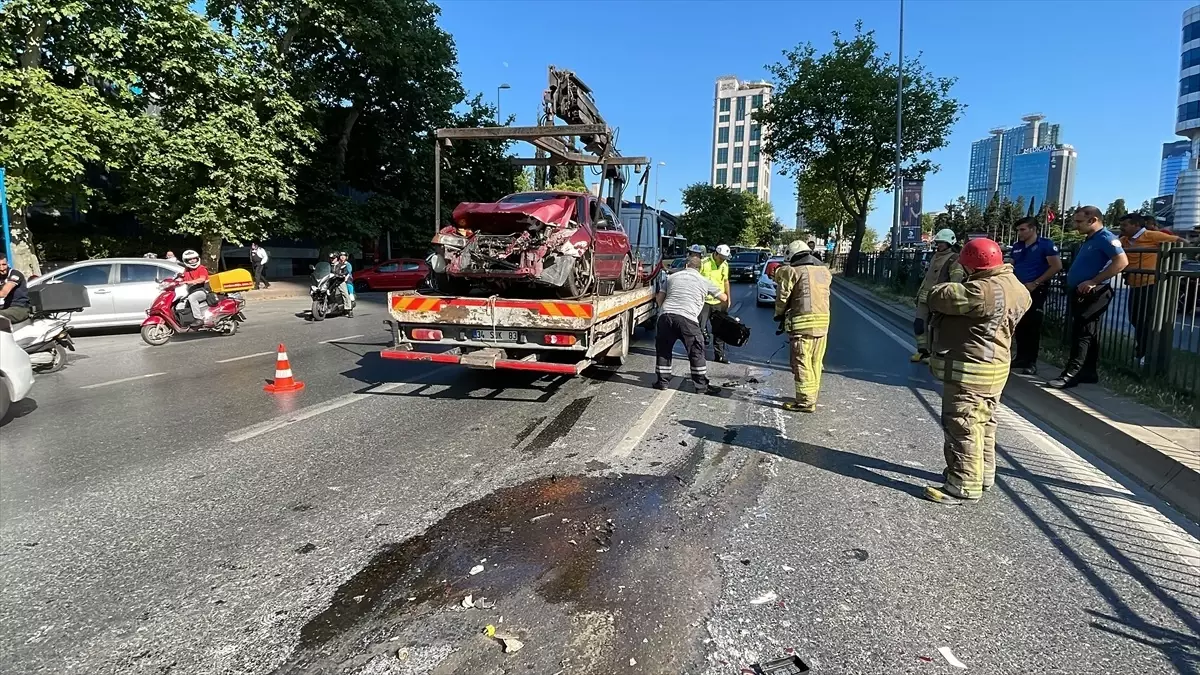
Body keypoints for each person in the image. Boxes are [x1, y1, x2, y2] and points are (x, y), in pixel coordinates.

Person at [923, 238, 1031, 504]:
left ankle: (962, 484)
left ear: (972, 266)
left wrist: (948, 282)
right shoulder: (1016, 286)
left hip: (971, 369)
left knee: (963, 424)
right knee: (985, 423)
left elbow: (939, 297)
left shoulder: (982, 291)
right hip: (995, 367)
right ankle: (983, 475)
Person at [1048, 206, 1128, 389]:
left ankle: (1071, 374)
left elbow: (1122, 262)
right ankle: (1089, 372)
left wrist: (1093, 281)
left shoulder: (1106, 238)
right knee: (1089, 333)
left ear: (1093, 220)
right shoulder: (1090, 239)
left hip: (1094, 292)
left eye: (1079, 221)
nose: (1076, 225)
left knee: (1082, 334)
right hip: (1082, 292)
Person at [654, 250, 728, 393]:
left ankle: (662, 382)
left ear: (686, 266)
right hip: (687, 319)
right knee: (696, 350)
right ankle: (701, 386)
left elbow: (659, 299)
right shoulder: (704, 281)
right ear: (699, 269)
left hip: (666, 316)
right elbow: (723, 298)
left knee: (664, 349)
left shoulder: (671, 278)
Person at [773, 240, 832, 412]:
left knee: (801, 362)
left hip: (802, 325)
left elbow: (783, 297)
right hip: (823, 324)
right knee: (815, 361)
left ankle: (805, 401)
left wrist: (779, 314)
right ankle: (812, 396)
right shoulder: (824, 271)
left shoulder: (792, 271)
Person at [1118, 213, 1181, 366]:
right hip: (1134, 284)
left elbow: (1180, 241)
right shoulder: (1124, 240)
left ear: (1136, 225)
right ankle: (1142, 352)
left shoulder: (1152, 235)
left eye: (1125, 225)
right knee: (1135, 318)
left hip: (1151, 284)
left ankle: (1146, 354)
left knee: (1146, 320)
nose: (1122, 228)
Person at [1008, 217, 1062, 375]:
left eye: (1023, 229)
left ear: (1033, 229)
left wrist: (1036, 283)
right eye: (1018, 230)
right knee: (1019, 324)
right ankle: (1020, 358)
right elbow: (1012, 263)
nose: (1019, 233)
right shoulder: (1017, 246)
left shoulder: (1046, 245)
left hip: (1035, 289)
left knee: (1032, 325)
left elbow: (1056, 266)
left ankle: (1031, 362)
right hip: (1018, 289)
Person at [911, 229, 964, 362]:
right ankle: (923, 351)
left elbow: (955, 281)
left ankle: (936, 355)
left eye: (942, 243)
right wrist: (918, 295)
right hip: (924, 297)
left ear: (950, 243)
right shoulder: (935, 256)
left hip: (939, 299)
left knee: (937, 328)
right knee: (919, 324)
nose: (938, 245)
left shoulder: (954, 258)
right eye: (938, 242)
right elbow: (927, 278)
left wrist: (949, 298)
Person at [698, 243, 732, 363]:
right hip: (704, 302)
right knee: (699, 329)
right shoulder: (704, 263)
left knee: (719, 329)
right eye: (721, 258)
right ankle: (698, 355)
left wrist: (728, 298)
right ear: (716, 254)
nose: (722, 261)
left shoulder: (724, 265)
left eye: (724, 259)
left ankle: (719, 355)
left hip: (718, 302)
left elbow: (726, 281)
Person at [179, 249, 211, 327]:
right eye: (190, 259)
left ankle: (199, 319)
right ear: (186, 261)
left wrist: (188, 282)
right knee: (180, 301)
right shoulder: (187, 270)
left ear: (197, 258)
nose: (193, 261)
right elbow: (182, 279)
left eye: (194, 258)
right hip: (193, 291)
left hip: (204, 291)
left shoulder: (201, 268)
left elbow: (202, 279)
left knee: (192, 298)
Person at [0, 255, 32, 324]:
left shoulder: (15, 274)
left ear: (7, 264)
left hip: (20, 308)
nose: (2, 268)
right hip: (7, 307)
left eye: (4, 264)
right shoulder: (1, 277)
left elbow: (3, 293)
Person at [337, 251, 355, 315]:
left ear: (346, 257)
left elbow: (348, 273)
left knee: (348, 285)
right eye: (341, 255)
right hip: (337, 278)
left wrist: (345, 279)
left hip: (346, 278)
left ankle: (351, 295)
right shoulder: (337, 263)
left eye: (344, 256)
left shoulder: (348, 264)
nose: (342, 257)